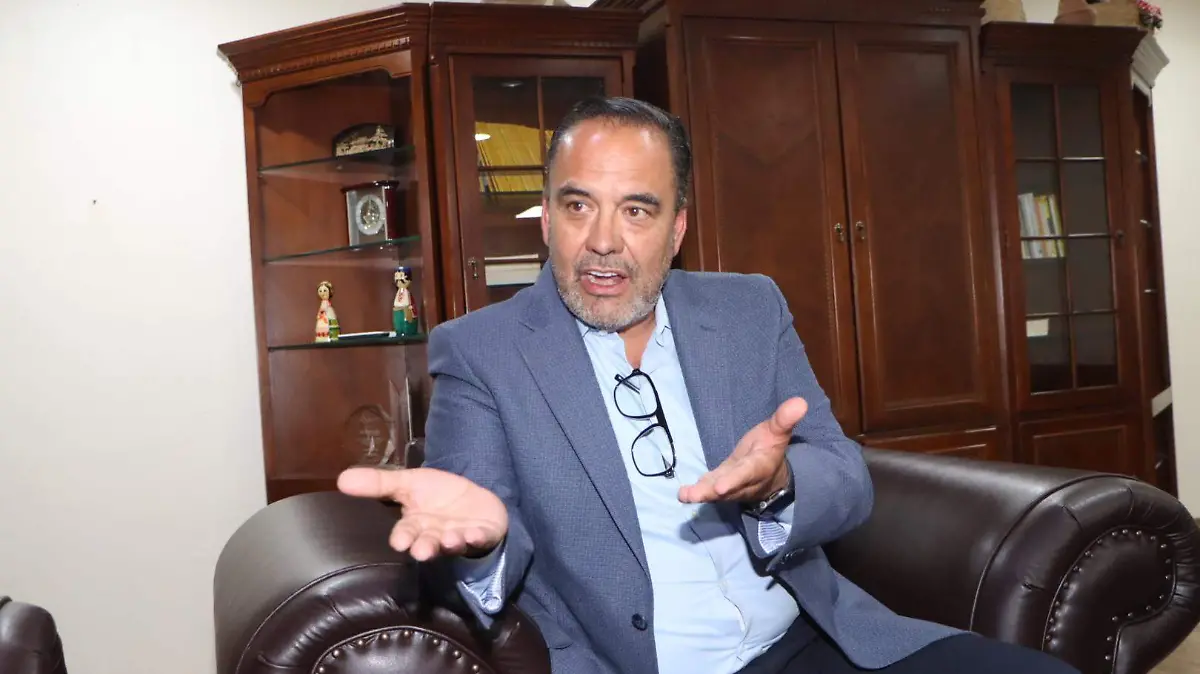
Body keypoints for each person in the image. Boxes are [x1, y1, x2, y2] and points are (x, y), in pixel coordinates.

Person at [337, 97, 1079, 674]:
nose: (603, 240)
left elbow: (846, 480)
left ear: (678, 229)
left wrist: (778, 484)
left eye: (637, 210)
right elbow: (473, 532)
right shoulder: (481, 352)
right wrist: (484, 544)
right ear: (547, 222)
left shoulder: (749, 309)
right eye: (577, 205)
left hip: (812, 641)